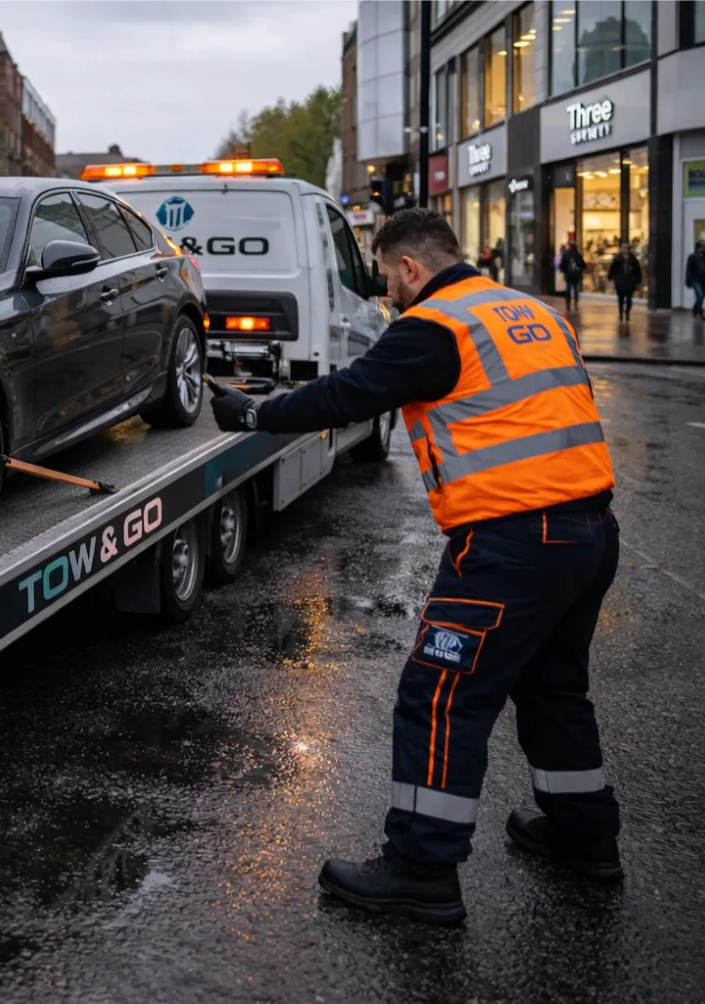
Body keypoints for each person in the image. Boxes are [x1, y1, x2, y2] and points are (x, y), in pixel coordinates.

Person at [210, 209, 620, 926]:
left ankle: (419, 870)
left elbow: (348, 394)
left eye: (386, 280)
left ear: (406, 269)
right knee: (554, 687)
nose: (386, 297)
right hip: (587, 534)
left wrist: (254, 413)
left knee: (437, 697)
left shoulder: (435, 325)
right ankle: (585, 837)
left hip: (510, 547)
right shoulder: (527, 310)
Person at [607, 243, 642, 322]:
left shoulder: (633, 259)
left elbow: (637, 271)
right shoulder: (617, 259)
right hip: (620, 281)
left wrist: (638, 280)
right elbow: (613, 269)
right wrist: (610, 277)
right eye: (623, 248)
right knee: (621, 299)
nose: (625, 250)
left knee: (629, 298)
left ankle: (627, 312)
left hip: (630, 282)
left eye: (626, 248)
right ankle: (621, 313)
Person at [687, 240, 705, 321]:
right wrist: (688, 281)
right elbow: (689, 270)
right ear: (699, 247)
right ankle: (700, 311)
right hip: (695, 279)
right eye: (704, 246)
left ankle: (695, 309)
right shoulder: (692, 257)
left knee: (701, 296)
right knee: (699, 295)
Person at [559, 240, 586, 311]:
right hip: (576, 274)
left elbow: (562, 264)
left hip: (568, 274)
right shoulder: (578, 255)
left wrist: (563, 271)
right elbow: (583, 265)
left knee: (568, 288)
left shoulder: (566, 254)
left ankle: (568, 304)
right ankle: (576, 303)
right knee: (575, 288)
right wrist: (579, 269)